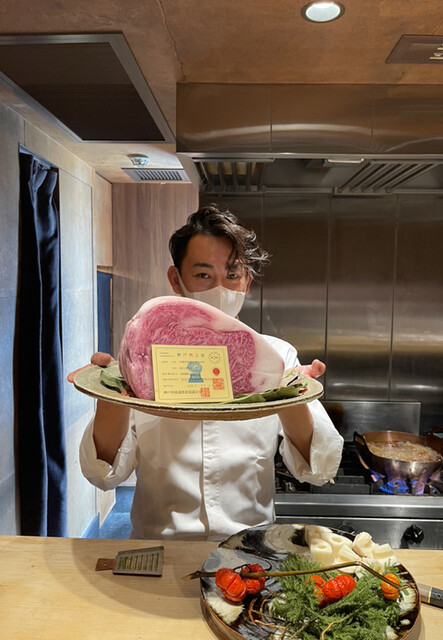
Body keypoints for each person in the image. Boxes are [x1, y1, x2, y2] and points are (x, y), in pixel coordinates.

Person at [77, 205, 343, 540]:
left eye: (232, 275)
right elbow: (102, 473)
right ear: (176, 280)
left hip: (247, 551)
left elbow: (319, 468)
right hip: (161, 547)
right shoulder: (145, 360)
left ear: (247, 281)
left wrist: (290, 391)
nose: (221, 288)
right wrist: (111, 392)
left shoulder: (276, 358)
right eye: (203, 275)